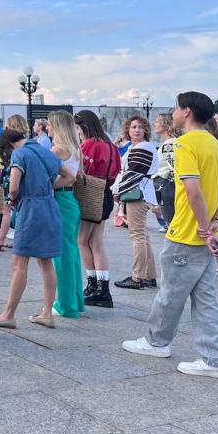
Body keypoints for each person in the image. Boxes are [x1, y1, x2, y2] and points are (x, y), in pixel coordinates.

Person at [123, 91, 218, 378]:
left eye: (175, 108)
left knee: (170, 293)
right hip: (205, 233)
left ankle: (157, 341)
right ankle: (213, 357)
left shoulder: (184, 144)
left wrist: (204, 226)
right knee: (205, 298)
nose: (173, 113)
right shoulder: (215, 145)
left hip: (187, 233)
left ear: (187, 111)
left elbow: (192, 189)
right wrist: (215, 221)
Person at [0, 128, 73, 330]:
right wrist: (47, 188)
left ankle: (8, 315)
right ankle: (47, 313)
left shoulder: (19, 153)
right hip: (50, 207)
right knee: (46, 263)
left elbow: (14, 187)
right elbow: (70, 176)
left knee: (20, 264)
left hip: (30, 209)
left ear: (8, 147)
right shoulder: (46, 151)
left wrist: (12, 198)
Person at [74, 110, 121, 308]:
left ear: (84, 126)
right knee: (96, 242)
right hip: (105, 194)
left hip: (89, 195)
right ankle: (103, 288)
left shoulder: (88, 145)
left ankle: (93, 285)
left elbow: (80, 171)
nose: (77, 132)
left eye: (77, 128)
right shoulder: (110, 145)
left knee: (82, 241)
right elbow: (115, 172)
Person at [113, 115, 159, 290]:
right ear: (128, 130)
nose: (137, 130)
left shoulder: (144, 146)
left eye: (140, 127)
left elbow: (134, 173)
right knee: (143, 236)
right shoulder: (135, 147)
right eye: (133, 127)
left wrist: (118, 191)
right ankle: (149, 276)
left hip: (137, 193)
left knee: (137, 235)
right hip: (140, 192)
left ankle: (137, 277)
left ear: (145, 130)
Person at [47, 111, 84, 318]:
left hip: (60, 200)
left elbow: (52, 177)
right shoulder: (74, 148)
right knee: (71, 254)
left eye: (50, 125)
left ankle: (66, 304)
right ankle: (74, 302)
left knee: (62, 255)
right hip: (69, 201)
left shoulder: (57, 149)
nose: (48, 128)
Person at [153, 112, 178, 233]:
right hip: (165, 184)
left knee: (170, 222)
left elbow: (172, 166)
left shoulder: (169, 144)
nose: (155, 124)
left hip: (166, 185)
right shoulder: (168, 143)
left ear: (165, 125)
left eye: (157, 122)